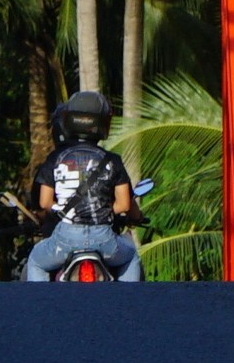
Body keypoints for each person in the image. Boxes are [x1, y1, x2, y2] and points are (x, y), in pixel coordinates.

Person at [22, 88, 145, 281]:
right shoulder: (112, 160)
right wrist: (103, 210)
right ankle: (129, 306)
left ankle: (39, 308)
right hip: (104, 239)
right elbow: (124, 205)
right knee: (131, 257)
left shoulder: (55, 158)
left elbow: (45, 202)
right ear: (104, 123)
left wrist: (62, 210)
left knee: (36, 262)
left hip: (65, 239)